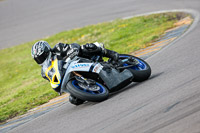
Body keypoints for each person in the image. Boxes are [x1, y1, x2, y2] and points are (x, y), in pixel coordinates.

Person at [31, 41, 119, 92]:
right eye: (38, 59)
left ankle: (110, 53)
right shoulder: (44, 72)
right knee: (74, 100)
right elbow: (54, 80)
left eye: (41, 56)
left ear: (46, 51)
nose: (41, 60)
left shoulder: (58, 48)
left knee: (86, 47)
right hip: (71, 76)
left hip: (82, 60)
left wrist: (72, 52)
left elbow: (74, 46)